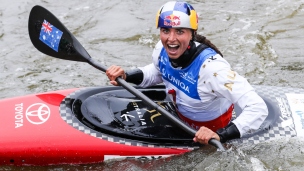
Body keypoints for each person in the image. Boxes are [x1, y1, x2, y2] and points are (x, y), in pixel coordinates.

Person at [106, 1, 268, 145]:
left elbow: (258, 108)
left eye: (180, 31)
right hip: (179, 119)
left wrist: (220, 136)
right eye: (165, 30)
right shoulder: (161, 50)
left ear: (192, 34)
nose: (171, 39)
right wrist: (126, 75)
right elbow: (156, 71)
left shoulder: (212, 70)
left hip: (211, 133)